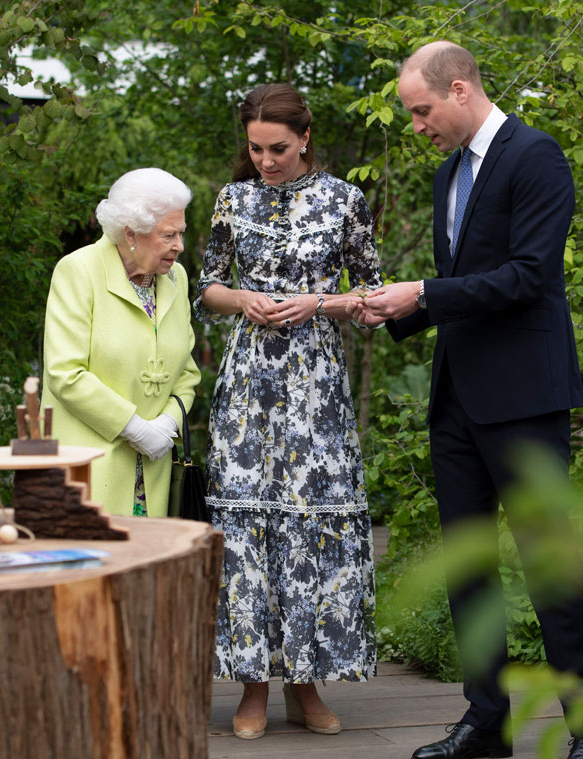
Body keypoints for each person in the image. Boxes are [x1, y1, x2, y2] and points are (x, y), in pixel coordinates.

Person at [350, 42, 583, 759]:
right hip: (457, 399)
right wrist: (394, 311)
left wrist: (424, 292)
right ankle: (485, 723)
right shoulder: (446, 178)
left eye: (421, 110)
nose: (416, 125)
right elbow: (464, 286)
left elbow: (526, 276)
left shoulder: (537, 157)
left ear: (459, 90)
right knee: (469, 568)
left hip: (525, 399)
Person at [195, 83, 382, 741]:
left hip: (316, 388)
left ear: (304, 137)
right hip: (249, 389)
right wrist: (241, 297)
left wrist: (318, 303)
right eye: (255, 148)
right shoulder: (233, 200)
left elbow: (376, 293)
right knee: (248, 535)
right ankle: (252, 688)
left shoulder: (344, 200)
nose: (266, 159)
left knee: (310, 531)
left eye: (278, 148)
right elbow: (205, 286)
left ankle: (306, 684)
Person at [40, 168, 200, 517]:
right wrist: (134, 428)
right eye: (168, 235)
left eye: (181, 234)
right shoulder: (79, 271)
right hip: (88, 466)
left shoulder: (176, 279)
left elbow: (187, 374)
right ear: (131, 233)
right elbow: (65, 372)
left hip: (153, 473)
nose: (179, 247)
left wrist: (167, 425)